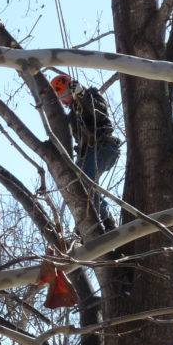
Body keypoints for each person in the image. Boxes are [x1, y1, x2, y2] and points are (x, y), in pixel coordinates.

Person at [50, 74, 120, 232]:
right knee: (75, 185)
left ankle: (102, 220)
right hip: (88, 153)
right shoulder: (72, 116)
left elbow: (99, 110)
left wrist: (81, 93)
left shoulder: (91, 95)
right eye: (60, 98)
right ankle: (96, 220)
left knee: (85, 182)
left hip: (104, 147)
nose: (62, 101)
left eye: (63, 96)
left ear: (72, 90)